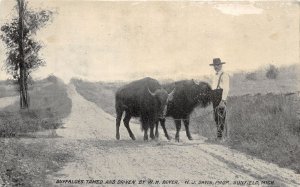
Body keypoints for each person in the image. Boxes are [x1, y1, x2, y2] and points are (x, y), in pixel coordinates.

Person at [209, 58, 230, 141]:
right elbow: (214, 88)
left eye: (217, 65)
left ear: (221, 65)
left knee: (221, 117)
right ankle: (219, 136)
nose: (216, 67)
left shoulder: (224, 75)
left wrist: (223, 100)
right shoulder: (215, 75)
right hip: (215, 97)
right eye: (215, 65)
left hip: (220, 97)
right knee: (216, 117)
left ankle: (221, 137)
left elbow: (226, 89)